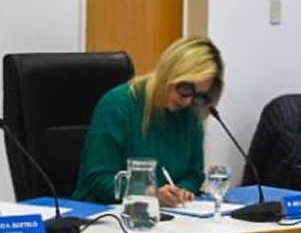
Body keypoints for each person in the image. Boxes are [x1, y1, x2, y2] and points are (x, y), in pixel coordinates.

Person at [74, 35, 222, 206]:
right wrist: (150, 194)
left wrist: (181, 191)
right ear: (169, 73)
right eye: (185, 89)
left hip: (171, 215)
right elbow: (97, 180)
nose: (188, 101)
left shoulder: (190, 114)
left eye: (199, 97)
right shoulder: (118, 104)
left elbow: (194, 174)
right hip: (108, 212)